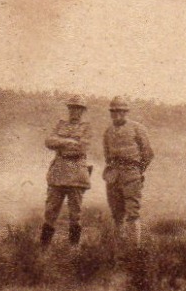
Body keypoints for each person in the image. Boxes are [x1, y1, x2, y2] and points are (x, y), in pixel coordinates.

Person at [42, 96, 92, 247]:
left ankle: (73, 249)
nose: (75, 111)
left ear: (82, 111)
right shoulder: (60, 124)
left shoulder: (86, 127)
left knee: (75, 214)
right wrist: (68, 141)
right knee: (50, 211)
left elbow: (82, 147)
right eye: (72, 108)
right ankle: (43, 248)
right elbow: (49, 142)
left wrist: (61, 143)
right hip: (58, 173)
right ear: (69, 109)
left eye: (78, 109)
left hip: (77, 174)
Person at [102, 96, 153, 246]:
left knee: (133, 212)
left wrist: (137, 171)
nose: (118, 115)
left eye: (121, 112)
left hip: (132, 174)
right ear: (111, 113)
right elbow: (106, 154)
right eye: (114, 112)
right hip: (113, 175)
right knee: (116, 213)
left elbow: (148, 154)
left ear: (126, 112)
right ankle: (120, 248)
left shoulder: (138, 128)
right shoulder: (108, 131)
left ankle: (134, 249)